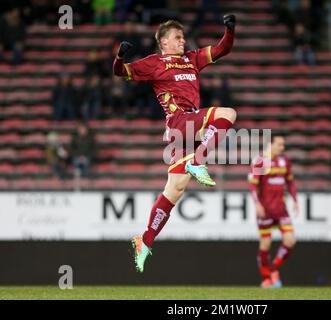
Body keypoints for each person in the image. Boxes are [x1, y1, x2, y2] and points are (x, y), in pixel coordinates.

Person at [113, 16, 237, 272]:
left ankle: (144, 240)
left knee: (175, 190)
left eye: (183, 37)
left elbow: (223, 48)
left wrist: (229, 29)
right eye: (177, 37)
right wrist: (119, 57)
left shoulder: (192, 59)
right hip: (180, 122)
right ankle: (198, 161)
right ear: (163, 42)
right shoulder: (154, 63)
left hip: (187, 130)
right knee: (228, 114)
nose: (182, 41)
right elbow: (121, 72)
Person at [248, 134, 299, 289]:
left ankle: (272, 269)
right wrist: (257, 204)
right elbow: (253, 186)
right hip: (266, 209)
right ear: (270, 144)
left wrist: (295, 200)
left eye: (283, 145)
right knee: (265, 244)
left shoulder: (285, 161)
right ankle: (266, 279)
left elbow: (290, 182)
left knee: (290, 241)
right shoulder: (261, 161)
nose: (282, 148)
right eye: (279, 144)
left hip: (281, 209)